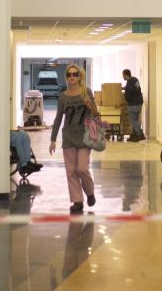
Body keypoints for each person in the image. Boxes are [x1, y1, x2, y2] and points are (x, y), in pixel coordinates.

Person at [49, 64, 100, 213]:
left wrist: (90, 105)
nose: (72, 77)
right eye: (69, 75)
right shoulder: (63, 97)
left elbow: (96, 115)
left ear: (80, 76)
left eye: (75, 74)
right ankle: (77, 201)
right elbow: (58, 119)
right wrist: (53, 140)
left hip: (84, 137)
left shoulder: (86, 92)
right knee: (71, 171)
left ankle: (89, 192)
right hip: (68, 138)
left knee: (82, 169)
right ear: (66, 77)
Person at [121, 69, 145, 141]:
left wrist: (124, 101)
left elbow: (127, 96)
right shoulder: (134, 80)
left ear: (125, 75)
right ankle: (134, 135)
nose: (123, 77)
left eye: (123, 75)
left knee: (133, 120)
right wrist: (123, 88)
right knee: (136, 119)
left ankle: (140, 134)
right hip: (139, 103)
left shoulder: (129, 84)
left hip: (133, 104)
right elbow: (133, 88)